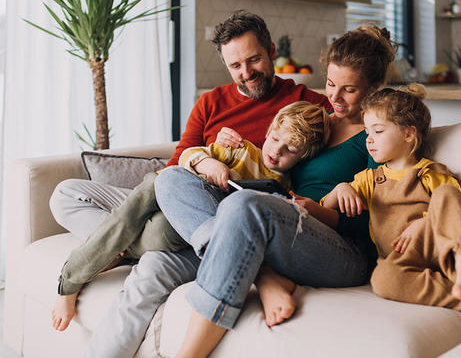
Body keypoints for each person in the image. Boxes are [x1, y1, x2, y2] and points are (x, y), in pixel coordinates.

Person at [48, 10, 330, 357]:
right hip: (181, 200)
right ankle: (121, 244)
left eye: (254, 59)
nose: (246, 73)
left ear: (271, 51)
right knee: (67, 194)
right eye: (235, 66)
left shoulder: (308, 106)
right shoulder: (211, 102)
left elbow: (346, 140)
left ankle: (118, 245)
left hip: (227, 226)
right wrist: (208, 158)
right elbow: (173, 169)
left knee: (147, 274)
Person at [153, 24, 396, 357]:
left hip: (344, 250)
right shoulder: (317, 118)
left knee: (244, 205)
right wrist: (224, 151)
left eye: (349, 90)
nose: (334, 99)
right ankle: (264, 275)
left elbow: (380, 222)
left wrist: (322, 209)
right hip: (286, 224)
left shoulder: (377, 135)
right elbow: (274, 158)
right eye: (329, 85)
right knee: (170, 179)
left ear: (374, 87)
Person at [50, 101, 329, 332]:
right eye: (275, 139)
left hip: (180, 225)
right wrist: (210, 163)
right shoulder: (241, 150)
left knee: (158, 231)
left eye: (289, 150)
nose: (276, 151)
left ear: (304, 156)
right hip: (159, 189)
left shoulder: (283, 192)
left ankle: (103, 255)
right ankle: (82, 272)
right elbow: (188, 155)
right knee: (70, 195)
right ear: (269, 131)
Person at [322, 84, 461, 321]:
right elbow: (326, 206)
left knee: (447, 192)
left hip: (442, 250)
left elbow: (457, 210)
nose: (369, 140)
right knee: (382, 279)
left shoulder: (429, 172)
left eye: (378, 131)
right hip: (403, 260)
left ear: (408, 134)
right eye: (367, 133)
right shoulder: (369, 179)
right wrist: (340, 188)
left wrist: (424, 223)